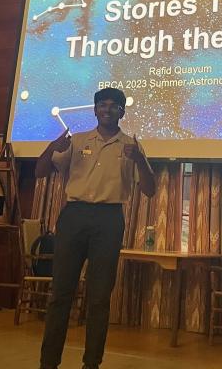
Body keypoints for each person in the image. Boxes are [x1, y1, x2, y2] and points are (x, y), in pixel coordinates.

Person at [36, 87, 156, 369]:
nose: (107, 109)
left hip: (109, 219)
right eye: (102, 104)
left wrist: (139, 159)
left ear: (122, 112)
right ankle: (48, 363)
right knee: (60, 295)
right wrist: (51, 147)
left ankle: (92, 364)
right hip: (74, 216)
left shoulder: (132, 146)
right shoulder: (76, 141)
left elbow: (150, 190)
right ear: (95, 109)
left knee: (100, 298)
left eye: (114, 105)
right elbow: (41, 172)